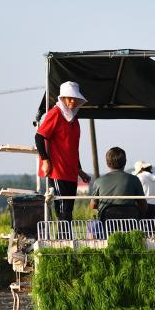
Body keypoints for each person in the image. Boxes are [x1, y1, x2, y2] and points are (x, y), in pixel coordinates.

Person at [35, 81, 92, 223]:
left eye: (75, 98)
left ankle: (67, 241)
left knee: (68, 208)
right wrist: (46, 161)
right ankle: (63, 241)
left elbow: (72, 148)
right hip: (58, 170)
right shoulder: (55, 113)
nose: (73, 101)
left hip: (71, 172)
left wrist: (79, 170)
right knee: (62, 209)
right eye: (69, 98)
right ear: (62, 98)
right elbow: (39, 136)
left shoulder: (74, 119)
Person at [89, 147, 146, 223]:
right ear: (125, 162)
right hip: (130, 223)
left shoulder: (98, 181)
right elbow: (143, 205)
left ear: (107, 163)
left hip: (107, 223)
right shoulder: (135, 180)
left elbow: (93, 205)